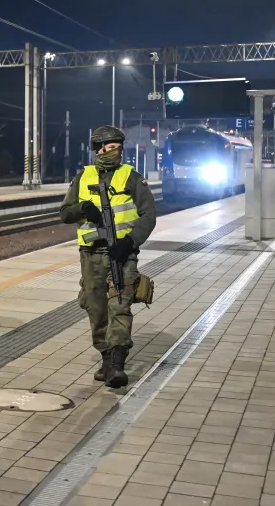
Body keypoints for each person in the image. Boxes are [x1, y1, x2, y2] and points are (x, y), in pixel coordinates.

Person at [59, 125, 156, 388]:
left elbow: (148, 215)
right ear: (98, 149)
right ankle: (105, 355)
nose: (114, 152)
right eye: (109, 147)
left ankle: (117, 363)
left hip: (122, 253)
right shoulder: (83, 177)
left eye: (117, 147)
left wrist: (130, 242)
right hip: (91, 255)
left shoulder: (131, 177)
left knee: (120, 305)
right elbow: (65, 212)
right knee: (95, 306)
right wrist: (83, 208)